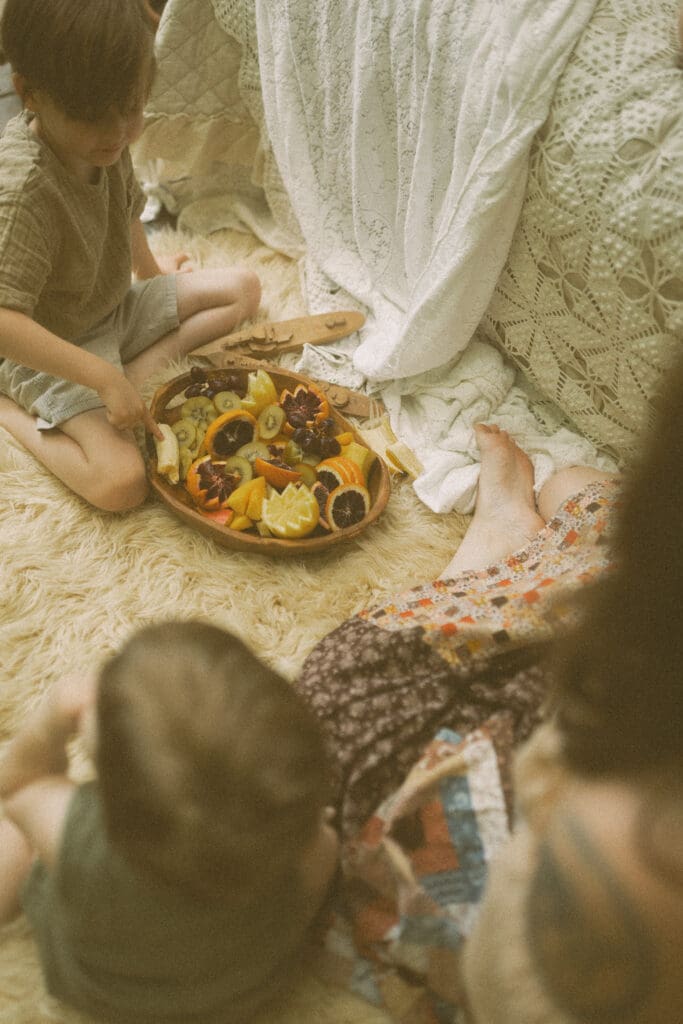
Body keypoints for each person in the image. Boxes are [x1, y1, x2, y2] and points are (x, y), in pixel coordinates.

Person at [0, 621, 339, 1024]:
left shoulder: (78, 837)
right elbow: (307, 900)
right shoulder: (304, 844)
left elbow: (17, 787)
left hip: (99, 988)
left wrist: (52, 719)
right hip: (233, 996)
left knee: (16, 830)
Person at [0, 0, 261, 511]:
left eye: (134, 108)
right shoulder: (22, 192)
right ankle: (11, 412)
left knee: (244, 289)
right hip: (48, 348)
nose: (120, 132)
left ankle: (127, 378)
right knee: (121, 485)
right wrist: (98, 376)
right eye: (95, 116)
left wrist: (154, 274)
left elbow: (126, 214)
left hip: (110, 310)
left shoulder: (106, 142)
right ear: (29, 91)